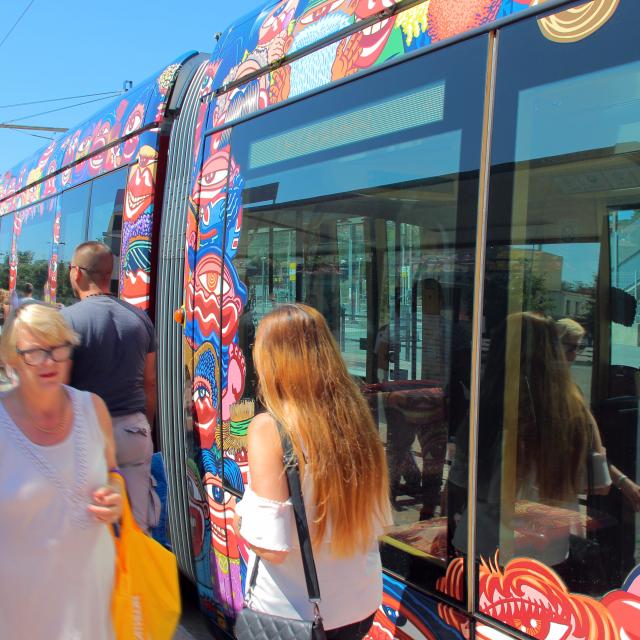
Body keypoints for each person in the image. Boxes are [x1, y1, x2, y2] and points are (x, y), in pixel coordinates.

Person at [234, 303, 392, 639]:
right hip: (360, 605)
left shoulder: (269, 429)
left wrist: (240, 516)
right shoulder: (357, 419)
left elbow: (272, 548)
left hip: (298, 615)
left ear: (271, 360)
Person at [0, 301, 122, 639]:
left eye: (58, 347)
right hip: (21, 613)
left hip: (92, 603)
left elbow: (114, 472)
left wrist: (115, 496)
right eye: (35, 352)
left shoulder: (92, 408)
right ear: (11, 358)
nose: (50, 360)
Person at [61, 241, 159, 533]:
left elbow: (59, 387)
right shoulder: (139, 317)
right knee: (136, 527)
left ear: (76, 273)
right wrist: (145, 427)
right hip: (134, 431)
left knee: (91, 524)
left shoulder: (66, 321)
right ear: (109, 274)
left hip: (87, 434)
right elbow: (150, 382)